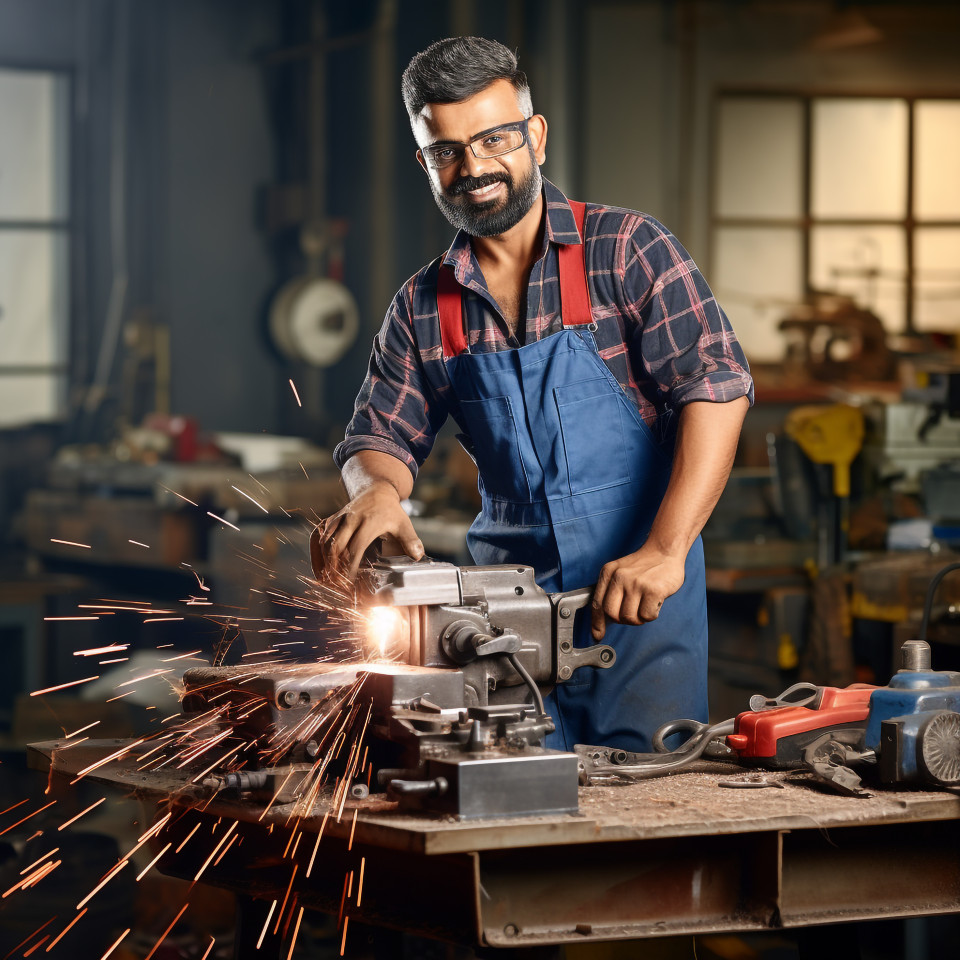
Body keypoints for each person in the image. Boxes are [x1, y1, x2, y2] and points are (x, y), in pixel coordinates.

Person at [312, 36, 753, 752]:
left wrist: (666, 548)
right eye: (446, 150)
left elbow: (718, 388)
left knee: (647, 825)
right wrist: (377, 492)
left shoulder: (628, 250)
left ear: (535, 135)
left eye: (494, 138)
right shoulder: (424, 306)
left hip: (640, 609)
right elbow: (380, 437)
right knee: (501, 802)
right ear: (424, 160)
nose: (474, 166)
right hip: (499, 623)